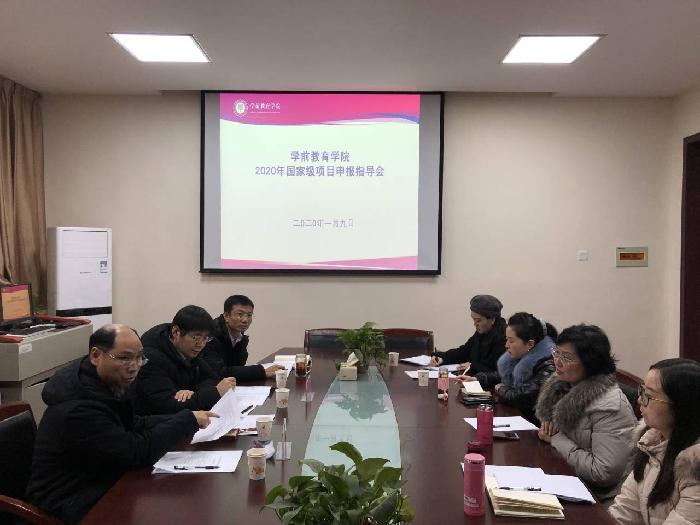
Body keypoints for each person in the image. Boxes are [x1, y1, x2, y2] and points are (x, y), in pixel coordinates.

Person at [26, 324, 217, 524]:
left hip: (101, 479)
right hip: (71, 500)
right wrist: (184, 422)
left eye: (140, 358)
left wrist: (189, 417)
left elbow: (134, 423)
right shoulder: (78, 409)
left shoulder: (103, 383)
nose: (134, 367)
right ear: (96, 355)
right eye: (125, 358)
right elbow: (135, 452)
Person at [535, 324, 637, 504]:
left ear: (591, 362)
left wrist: (556, 438)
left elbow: (602, 472)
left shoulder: (610, 406)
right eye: (556, 353)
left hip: (603, 498)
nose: (557, 362)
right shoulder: (563, 386)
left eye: (566, 357)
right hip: (569, 479)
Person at [609, 358, 700, 525]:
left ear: (680, 405)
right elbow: (624, 512)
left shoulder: (695, 465)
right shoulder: (651, 442)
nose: (639, 400)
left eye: (648, 395)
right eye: (642, 390)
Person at [133, 305, 236, 415]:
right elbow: (167, 406)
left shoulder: (188, 349)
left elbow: (211, 378)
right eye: (196, 337)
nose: (201, 344)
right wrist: (214, 393)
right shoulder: (150, 360)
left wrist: (193, 392)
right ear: (176, 332)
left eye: (206, 338)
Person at [470, 312, 556, 424]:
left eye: (511, 341)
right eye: (506, 339)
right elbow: (503, 377)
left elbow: (522, 397)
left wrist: (501, 389)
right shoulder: (523, 356)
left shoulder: (548, 366)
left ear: (530, 344)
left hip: (534, 426)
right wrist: (479, 379)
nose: (506, 345)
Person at [200, 295, 284, 381]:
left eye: (249, 315)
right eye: (240, 314)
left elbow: (237, 367)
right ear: (226, 316)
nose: (245, 320)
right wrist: (261, 371)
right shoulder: (210, 336)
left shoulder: (239, 336)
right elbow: (219, 372)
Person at [430, 294, 506, 378]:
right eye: (473, 320)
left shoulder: (504, 337)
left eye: (478, 321)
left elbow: (498, 372)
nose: (475, 324)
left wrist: (473, 366)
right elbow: (464, 351)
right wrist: (442, 358)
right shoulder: (482, 332)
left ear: (492, 319)